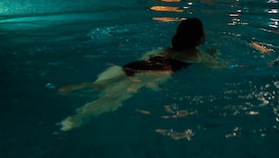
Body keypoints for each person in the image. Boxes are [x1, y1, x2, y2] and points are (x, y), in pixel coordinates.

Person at [57, 18, 218, 131]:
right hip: (155, 73)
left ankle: (89, 85)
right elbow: (214, 68)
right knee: (112, 98)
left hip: (134, 66)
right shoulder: (200, 56)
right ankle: (76, 119)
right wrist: (213, 54)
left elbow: (146, 57)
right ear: (198, 38)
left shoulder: (166, 49)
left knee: (101, 85)